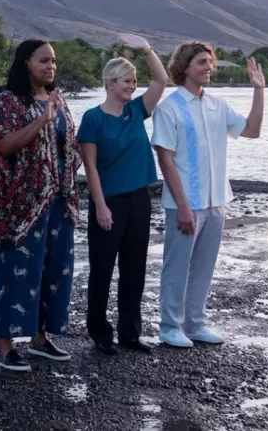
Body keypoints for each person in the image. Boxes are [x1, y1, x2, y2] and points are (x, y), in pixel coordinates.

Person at [150, 41, 265, 348]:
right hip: (183, 204)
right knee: (176, 267)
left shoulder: (218, 105)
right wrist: (184, 206)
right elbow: (165, 159)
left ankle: (195, 323)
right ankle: (170, 327)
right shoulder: (169, 108)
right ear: (184, 67)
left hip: (216, 203)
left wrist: (258, 90)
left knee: (203, 266)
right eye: (202, 62)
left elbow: (252, 130)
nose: (208, 67)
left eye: (210, 61)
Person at [0, 40, 81, 372]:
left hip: (59, 201)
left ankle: (40, 340)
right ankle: (4, 346)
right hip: (19, 206)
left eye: (53, 61)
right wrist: (41, 121)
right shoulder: (7, 103)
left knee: (52, 270)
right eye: (44, 60)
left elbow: (68, 146)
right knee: (13, 272)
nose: (50, 66)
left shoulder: (59, 102)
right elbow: (3, 146)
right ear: (26, 63)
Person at [77, 34, 169, 355]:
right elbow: (90, 168)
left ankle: (130, 332)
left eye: (134, 81)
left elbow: (161, 79)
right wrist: (100, 206)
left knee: (135, 268)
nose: (133, 86)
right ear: (110, 83)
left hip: (139, 200)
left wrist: (146, 48)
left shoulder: (136, 112)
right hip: (109, 202)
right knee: (102, 269)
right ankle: (100, 332)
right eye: (127, 81)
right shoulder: (92, 118)